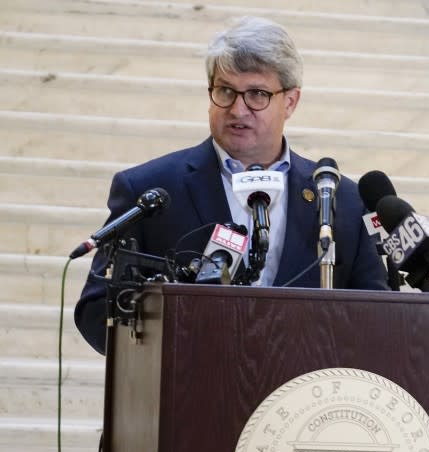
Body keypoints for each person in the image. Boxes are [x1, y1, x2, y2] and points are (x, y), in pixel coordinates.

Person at [74, 16, 388, 355]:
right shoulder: (150, 189)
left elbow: (380, 315)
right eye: (225, 91)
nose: (238, 110)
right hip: (190, 393)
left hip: (303, 397)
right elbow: (95, 311)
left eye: (257, 94)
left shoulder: (341, 199)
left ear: (291, 102)